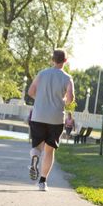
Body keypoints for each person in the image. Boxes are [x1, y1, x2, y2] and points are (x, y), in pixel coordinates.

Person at [27, 49, 75, 191]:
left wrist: (41, 99)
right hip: (56, 117)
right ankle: (42, 182)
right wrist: (62, 101)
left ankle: (35, 156)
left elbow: (30, 92)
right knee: (49, 150)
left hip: (39, 115)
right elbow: (70, 98)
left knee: (38, 146)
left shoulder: (42, 74)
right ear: (65, 61)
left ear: (52, 59)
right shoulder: (67, 78)